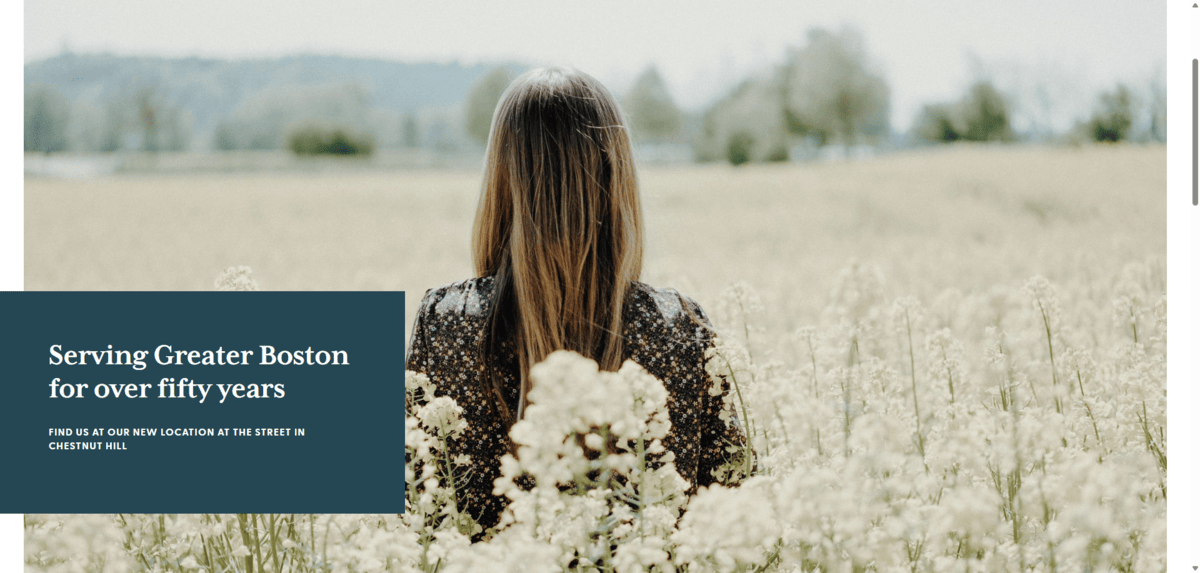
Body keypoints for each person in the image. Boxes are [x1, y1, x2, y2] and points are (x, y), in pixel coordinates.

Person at [405, 66, 747, 535]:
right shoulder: (682, 330)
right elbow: (737, 513)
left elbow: (413, 513)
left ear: (502, 184)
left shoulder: (445, 322)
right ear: (618, 181)